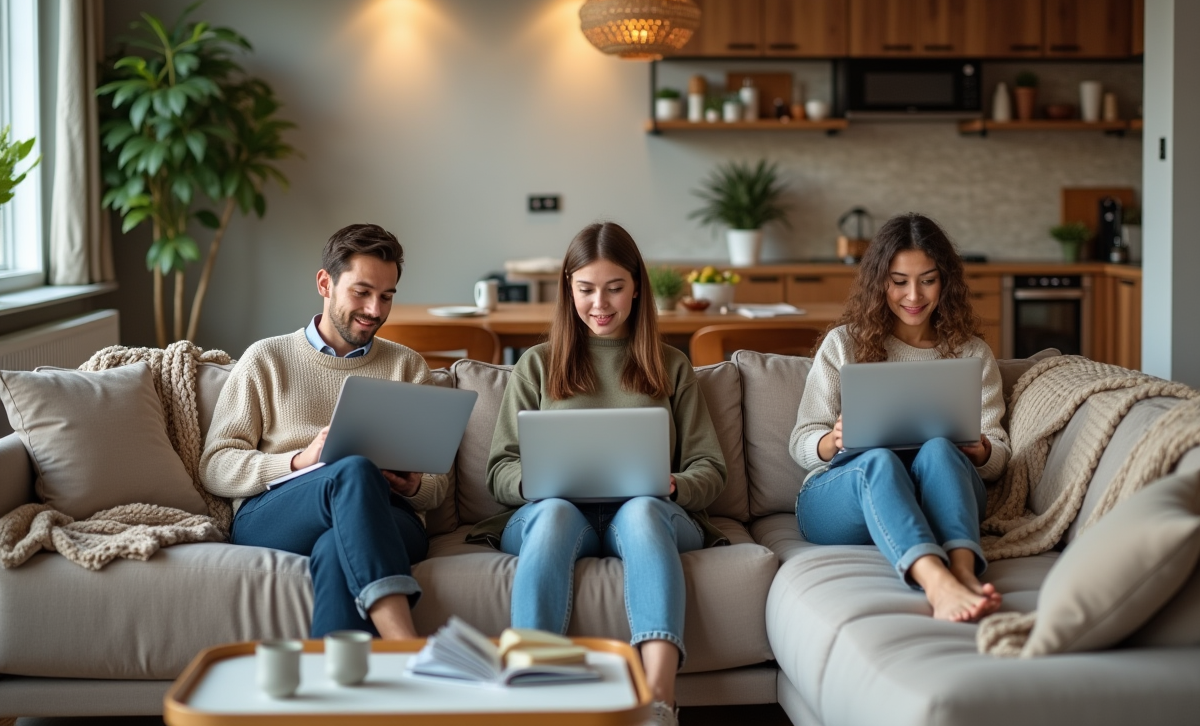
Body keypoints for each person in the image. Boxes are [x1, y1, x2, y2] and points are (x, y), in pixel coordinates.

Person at [468, 222, 727, 726]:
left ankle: (658, 700)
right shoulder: (537, 365)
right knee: (555, 515)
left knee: (644, 511)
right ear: (568, 288)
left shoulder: (670, 366)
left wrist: (674, 484)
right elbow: (498, 468)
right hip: (560, 516)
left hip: (650, 514)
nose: (600, 304)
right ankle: (536, 696)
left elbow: (710, 469)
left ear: (636, 288)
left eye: (614, 288)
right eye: (586, 289)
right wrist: (534, 481)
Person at [200, 223, 447, 639]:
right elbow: (216, 465)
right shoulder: (266, 358)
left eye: (386, 297)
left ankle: (339, 695)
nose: (375, 309)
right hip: (280, 512)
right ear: (325, 283)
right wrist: (301, 461)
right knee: (352, 469)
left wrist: (412, 484)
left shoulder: (407, 367)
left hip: (390, 516)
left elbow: (440, 485)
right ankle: (406, 644)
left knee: (338, 547)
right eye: (362, 292)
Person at [790, 213, 1010, 623]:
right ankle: (937, 583)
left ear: (945, 282)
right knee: (878, 460)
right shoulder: (844, 344)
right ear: (880, 282)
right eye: (899, 281)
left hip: (938, 499)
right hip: (843, 501)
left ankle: (962, 569)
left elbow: (998, 455)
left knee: (941, 450)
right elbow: (802, 441)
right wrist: (833, 440)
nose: (914, 295)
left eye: (927, 279)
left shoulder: (971, 352)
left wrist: (980, 450)